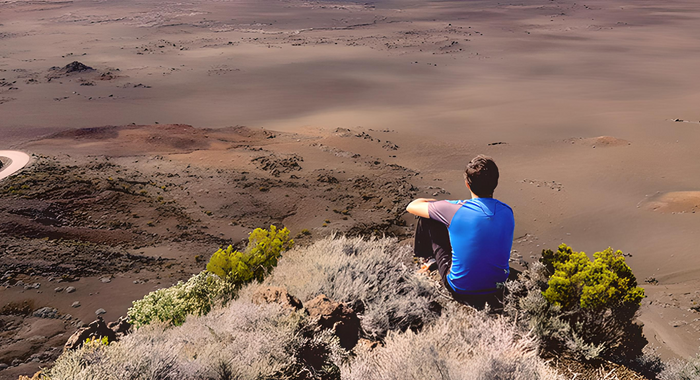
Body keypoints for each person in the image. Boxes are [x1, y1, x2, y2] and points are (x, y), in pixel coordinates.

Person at [406, 155, 514, 309]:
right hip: (497, 288)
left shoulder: (455, 209)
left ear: (467, 184)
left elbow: (412, 206)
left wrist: (437, 204)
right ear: (496, 182)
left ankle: (427, 261)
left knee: (428, 219)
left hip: (461, 289)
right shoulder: (507, 211)